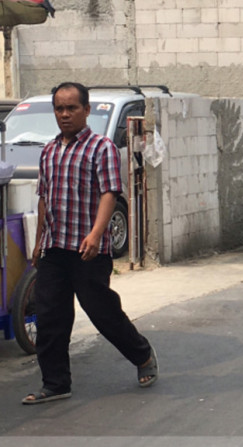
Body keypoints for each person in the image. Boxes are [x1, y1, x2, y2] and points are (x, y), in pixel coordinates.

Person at [22, 82, 158, 405]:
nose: (65, 114)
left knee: (101, 311)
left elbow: (110, 193)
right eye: (59, 108)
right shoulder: (49, 151)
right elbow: (44, 199)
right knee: (51, 315)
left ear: (87, 109)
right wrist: (39, 241)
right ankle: (55, 383)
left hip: (87, 249)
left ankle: (142, 355)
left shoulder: (102, 148)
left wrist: (96, 235)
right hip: (55, 247)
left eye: (72, 108)